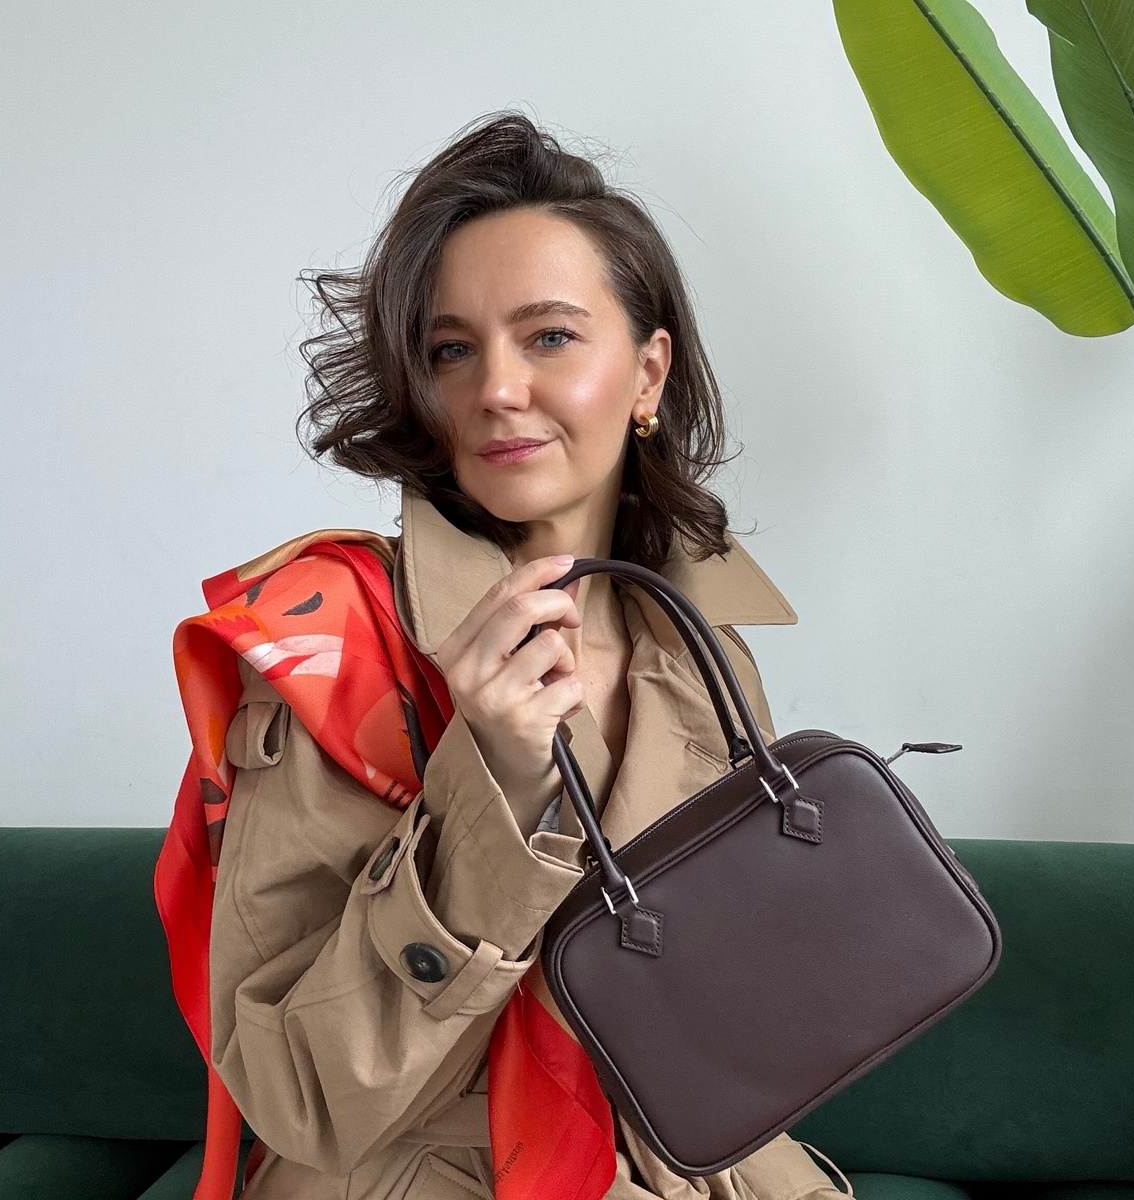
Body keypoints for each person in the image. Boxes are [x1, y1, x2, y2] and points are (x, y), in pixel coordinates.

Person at [206, 111, 850, 1200]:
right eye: (452, 350)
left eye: (549, 336)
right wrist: (492, 788)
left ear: (648, 375)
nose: (496, 388)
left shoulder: (707, 653)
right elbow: (297, 1093)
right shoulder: (336, 649)